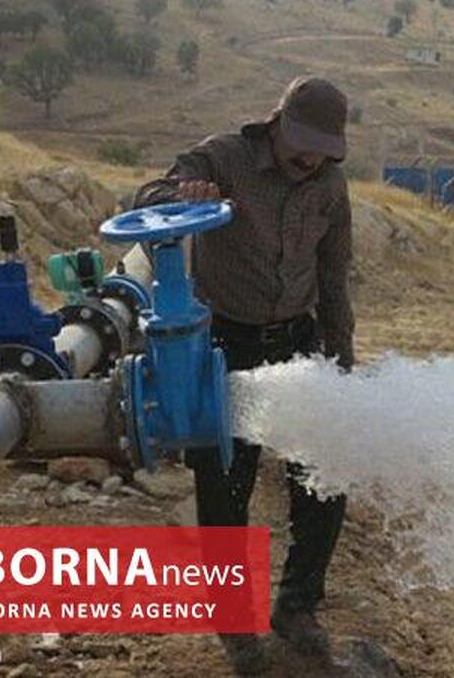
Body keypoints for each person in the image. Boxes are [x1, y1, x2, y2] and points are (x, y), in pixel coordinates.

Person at [134, 76, 354, 673]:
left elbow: (334, 276)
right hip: (226, 346)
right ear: (278, 121)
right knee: (226, 486)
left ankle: (297, 607)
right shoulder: (224, 157)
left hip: (298, 342)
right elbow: (147, 198)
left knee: (325, 478)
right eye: (303, 143)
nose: (310, 160)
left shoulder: (330, 185)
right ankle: (234, 622)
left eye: (323, 150)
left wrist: (341, 359)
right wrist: (183, 193)